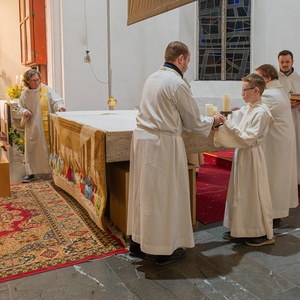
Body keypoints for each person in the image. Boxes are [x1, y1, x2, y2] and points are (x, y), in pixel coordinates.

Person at [127, 41, 224, 265]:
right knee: (163, 196)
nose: (188, 66)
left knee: (143, 194)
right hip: (162, 145)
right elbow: (193, 121)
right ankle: (162, 251)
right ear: (180, 58)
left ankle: (138, 243)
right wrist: (214, 120)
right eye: (188, 61)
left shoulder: (152, 77)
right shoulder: (177, 83)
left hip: (143, 141)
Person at [215, 73, 275, 246]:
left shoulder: (261, 112)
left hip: (252, 157)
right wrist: (225, 118)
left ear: (256, 90)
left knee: (251, 194)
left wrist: (227, 124)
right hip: (243, 155)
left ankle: (259, 232)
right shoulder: (250, 108)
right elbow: (238, 116)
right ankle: (240, 229)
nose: (242, 94)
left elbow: (248, 137)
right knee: (239, 192)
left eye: (244, 90)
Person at [256, 64, 298, 220]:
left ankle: (271, 214)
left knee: (273, 177)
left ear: (267, 79)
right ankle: (276, 212)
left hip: (275, 143)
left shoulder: (268, 94)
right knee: (279, 177)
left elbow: (257, 117)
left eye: (258, 78)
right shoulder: (278, 90)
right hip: (282, 141)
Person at [18, 69, 67, 183]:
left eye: (38, 80)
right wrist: (24, 111)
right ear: (27, 81)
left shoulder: (46, 90)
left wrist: (60, 107)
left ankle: (51, 171)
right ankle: (31, 173)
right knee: (31, 150)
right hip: (32, 126)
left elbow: (56, 101)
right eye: (33, 80)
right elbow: (19, 107)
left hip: (45, 127)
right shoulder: (25, 94)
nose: (36, 82)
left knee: (46, 148)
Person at [277, 50, 300, 184]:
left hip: (297, 119)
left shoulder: (298, 78)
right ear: (279, 62)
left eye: (287, 61)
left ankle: (297, 177)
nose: (285, 64)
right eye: (282, 62)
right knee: (283, 148)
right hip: (282, 120)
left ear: (292, 62)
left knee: (297, 147)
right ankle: (284, 178)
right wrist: (287, 104)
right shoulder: (274, 80)